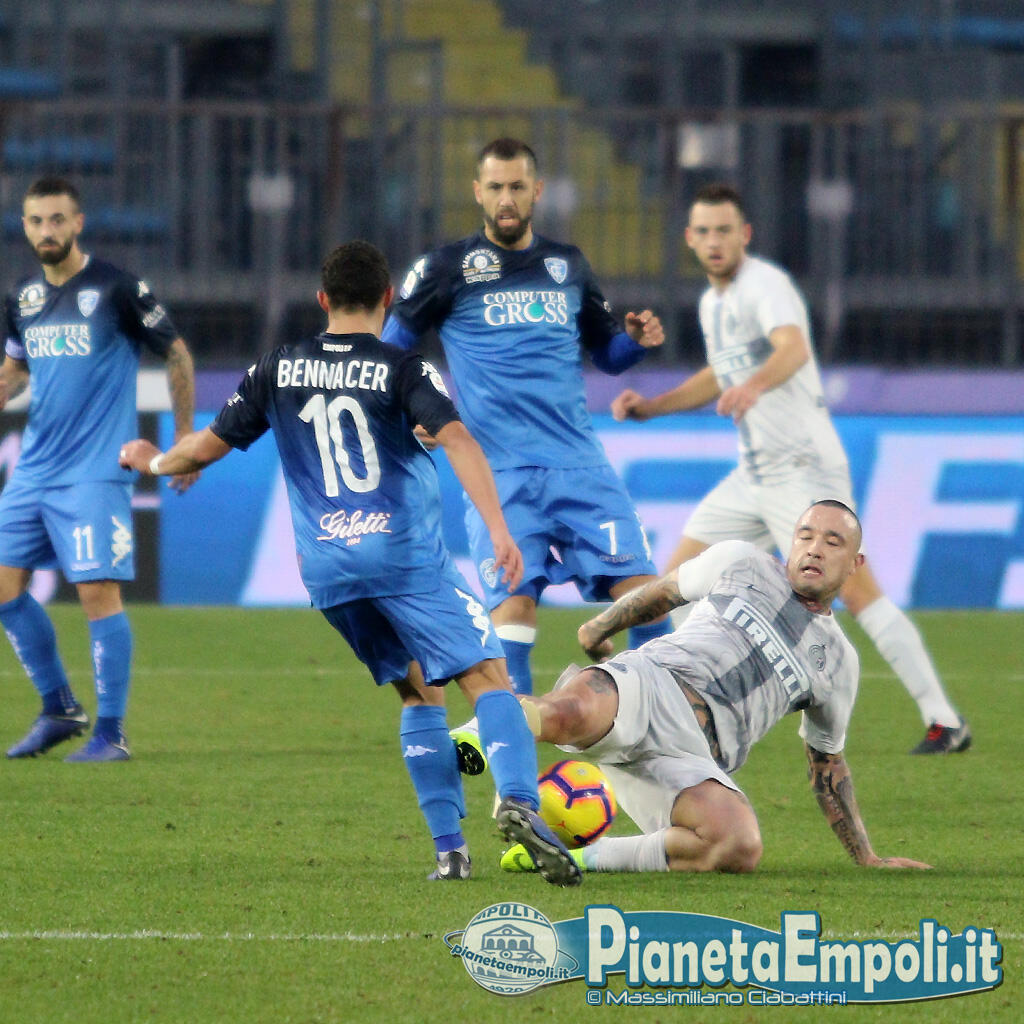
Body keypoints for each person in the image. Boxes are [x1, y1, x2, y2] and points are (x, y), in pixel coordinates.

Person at [118, 240, 581, 886]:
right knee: (488, 677)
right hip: (403, 559)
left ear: (322, 299)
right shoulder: (403, 366)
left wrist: (152, 461)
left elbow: (201, 450)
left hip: (329, 571)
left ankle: (450, 852)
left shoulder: (276, 368)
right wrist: (500, 530)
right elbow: (457, 439)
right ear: (388, 298)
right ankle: (520, 802)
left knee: (418, 690)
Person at [610, 183, 969, 755]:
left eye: (724, 230)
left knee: (859, 594)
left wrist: (754, 385)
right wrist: (654, 407)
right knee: (673, 584)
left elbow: (794, 348)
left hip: (803, 470)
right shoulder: (712, 303)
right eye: (703, 231)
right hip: (753, 474)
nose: (714, 241)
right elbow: (719, 375)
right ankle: (674, 709)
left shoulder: (765, 285)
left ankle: (943, 719)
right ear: (690, 239)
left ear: (745, 234)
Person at [381, 137, 671, 703]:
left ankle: (653, 725)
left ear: (537, 191)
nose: (506, 199)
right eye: (495, 187)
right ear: (477, 192)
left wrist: (635, 342)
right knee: (513, 609)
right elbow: (390, 352)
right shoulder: (445, 268)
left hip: (580, 465)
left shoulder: (568, 266)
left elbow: (608, 354)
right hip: (500, 473)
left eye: (517, 186)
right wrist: (413, 410)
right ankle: (518, 743)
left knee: (648, 597)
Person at [501, 500, 933, 875]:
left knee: (737, 845)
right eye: (806, 536)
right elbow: (665, 593)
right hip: (650, 685)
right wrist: (599, 627)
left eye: (833, 542)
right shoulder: (741, 561)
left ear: (855, 563)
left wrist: (866, 857)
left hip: (690, 761)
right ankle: (479, 744)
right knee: (567, 712)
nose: (815, 548)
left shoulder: (838, 661)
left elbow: (827, 765)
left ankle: (572, 858)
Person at [0, 176, 198, 762]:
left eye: (58, 219)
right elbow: (16, 370)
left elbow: (177, 353)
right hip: (35, 469)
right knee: (3, 586)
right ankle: (59, 708)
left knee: (96, 591)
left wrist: (186, 441)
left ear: (78, 223)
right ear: (25, 226)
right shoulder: (22, 297)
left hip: (96, 467)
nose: (47, 231)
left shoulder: (116, 288)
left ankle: (111, 732)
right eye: (37, 221)